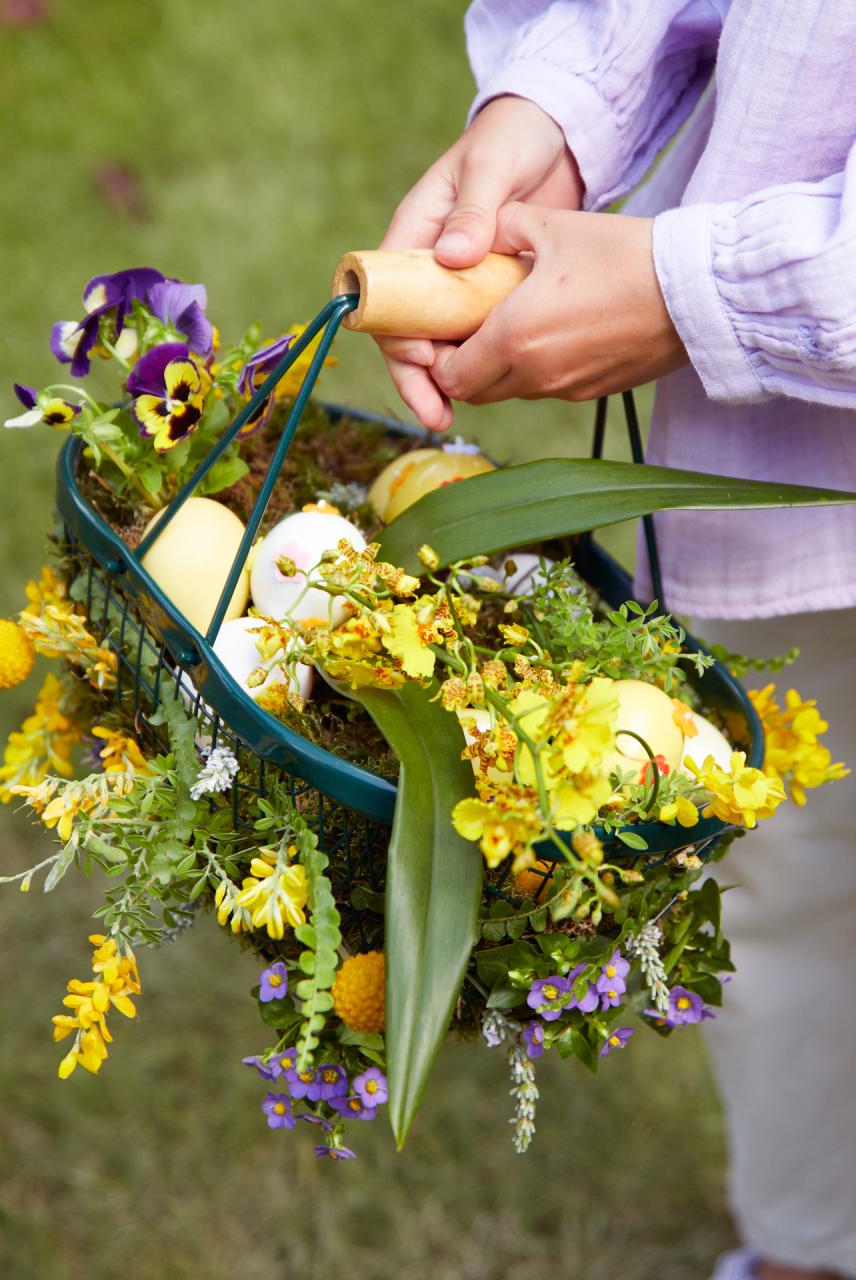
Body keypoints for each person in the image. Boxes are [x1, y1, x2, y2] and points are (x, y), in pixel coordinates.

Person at [375, 4, 856, 1279]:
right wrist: (563, 104)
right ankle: (812, 1244)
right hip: (804, 457)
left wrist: (696, 290)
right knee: (791, 867)